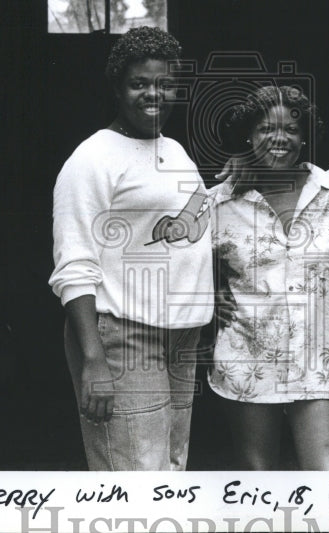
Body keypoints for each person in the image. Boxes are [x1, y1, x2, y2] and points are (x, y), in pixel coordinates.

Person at [49, 27, 214, 471]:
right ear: (117, 88)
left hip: (181, 335)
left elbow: (196, 216)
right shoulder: (93, 158)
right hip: (125, 333)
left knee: (170, 468)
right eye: (139, 83)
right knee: (136, 476)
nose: (153, 94)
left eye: (164, 84)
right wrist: (94, 359)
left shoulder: (173, 150)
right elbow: (74, 265)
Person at [209, 85, 329, 470]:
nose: (280, 138)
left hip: (320, 361)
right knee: (259, 482)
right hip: (247, 360)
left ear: (304, 136)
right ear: (248, 137)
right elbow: (179, 258)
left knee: (326, 479)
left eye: (290, 129)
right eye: (265, 130)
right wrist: (209, 295)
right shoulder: (220, 201)